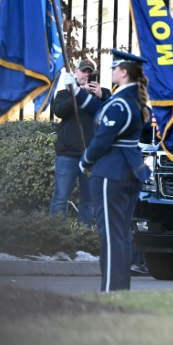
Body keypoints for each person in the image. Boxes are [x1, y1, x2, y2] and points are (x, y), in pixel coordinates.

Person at [64, 50, 152, 292]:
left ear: (123, 72)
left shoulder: (121, 102)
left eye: (114, 68)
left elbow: (104, 137)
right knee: (121, 233)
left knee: (111, 236)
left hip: (111, 171)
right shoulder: (132, 98)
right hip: (128, 169)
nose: (111, 71)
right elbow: (99, 110)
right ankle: (119, 288)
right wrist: (75, 92)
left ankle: (112, 289)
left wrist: (85, 161)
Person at [50, 59, 111, 226]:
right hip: (68, 155)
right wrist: (77, 96)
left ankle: (83, 239)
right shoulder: (64, 93)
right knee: (60, 198)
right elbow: (59, 111)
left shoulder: (102, 94)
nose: (86, 75)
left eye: (90, 72)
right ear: (76, 72)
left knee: (89, 202)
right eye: (84, 71)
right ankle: (55, 236)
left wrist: (102, 96)